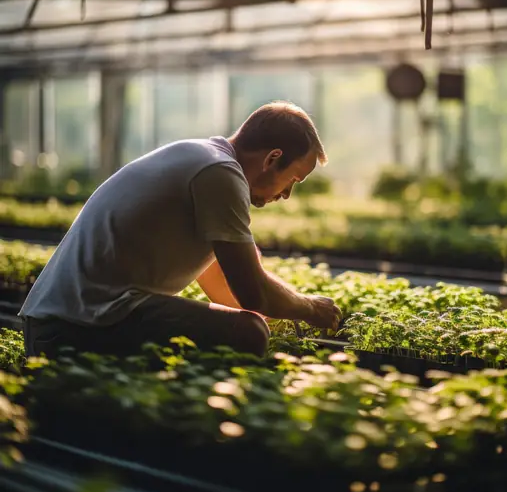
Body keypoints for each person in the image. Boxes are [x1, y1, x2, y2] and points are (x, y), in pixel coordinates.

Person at [20, 101, 342, 359]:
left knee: (249, 324)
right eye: (293, 181)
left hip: (55, 322)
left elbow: (222, 285)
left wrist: (281, 313)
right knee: (249, 333)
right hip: (72, 329)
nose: (286, 195)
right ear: (273, 159)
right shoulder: (221, 174)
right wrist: (310, 308)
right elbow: (252, 293)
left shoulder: (203, 157)